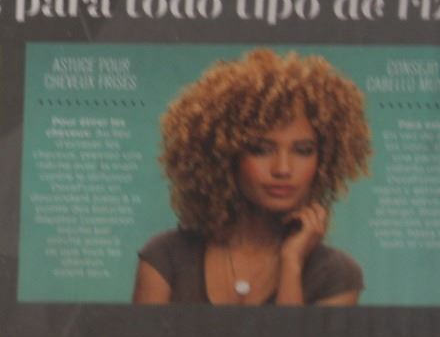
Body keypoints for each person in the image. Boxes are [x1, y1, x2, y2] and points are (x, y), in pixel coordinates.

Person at [132, 49, 371, 307]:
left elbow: (291, 336)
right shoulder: (167, 258)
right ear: (225, 155)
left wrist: (291, 262)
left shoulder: (336, 275)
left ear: (323, 161)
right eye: (261, 150)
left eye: (303, 150)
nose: (282, 169)